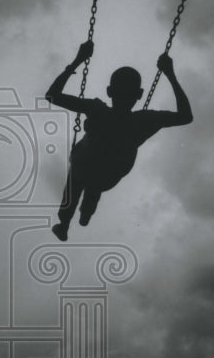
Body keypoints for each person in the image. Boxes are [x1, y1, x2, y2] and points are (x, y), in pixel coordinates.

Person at [45, 40, 193, 241]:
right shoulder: (144, 120)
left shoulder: (96, 109)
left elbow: (52, 95)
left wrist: (78, 60)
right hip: (108, 176)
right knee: (96, 177)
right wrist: (170, 74)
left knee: (80, 174)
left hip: (84, 166)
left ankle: (64, 223)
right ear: (139, 95)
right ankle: (87, 211)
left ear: (109, 91)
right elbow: (185, 116)